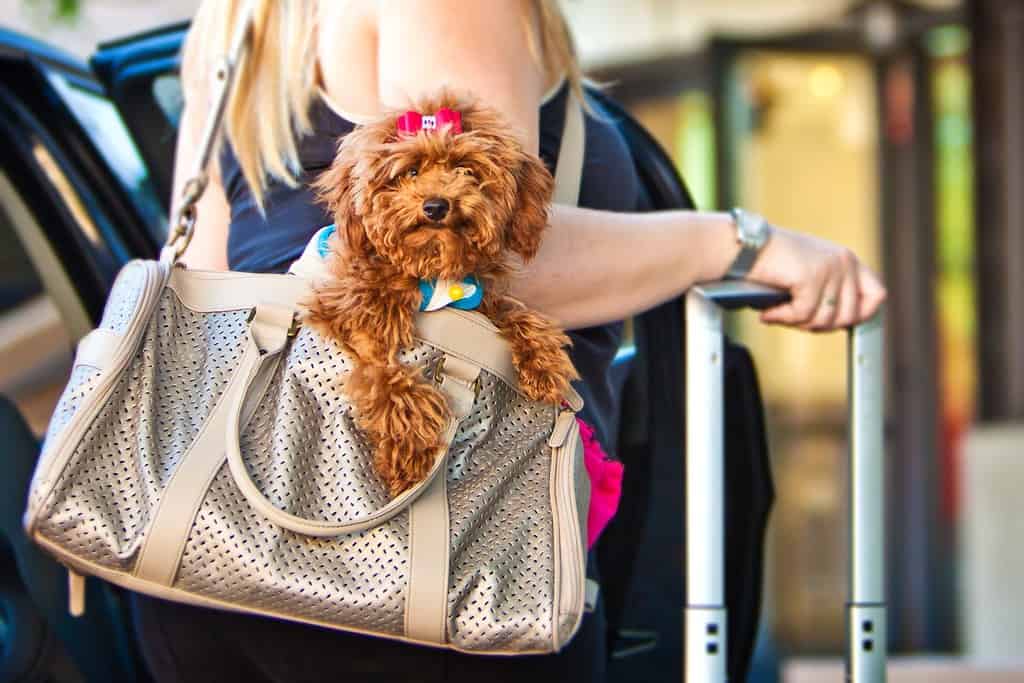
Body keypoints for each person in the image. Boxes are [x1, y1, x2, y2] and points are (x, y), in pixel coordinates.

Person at [130, 2, 887, 682]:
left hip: (213, 560)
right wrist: (740, 244)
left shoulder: (238, 24)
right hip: (424, 552)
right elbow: (482, 257)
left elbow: (203, 287)